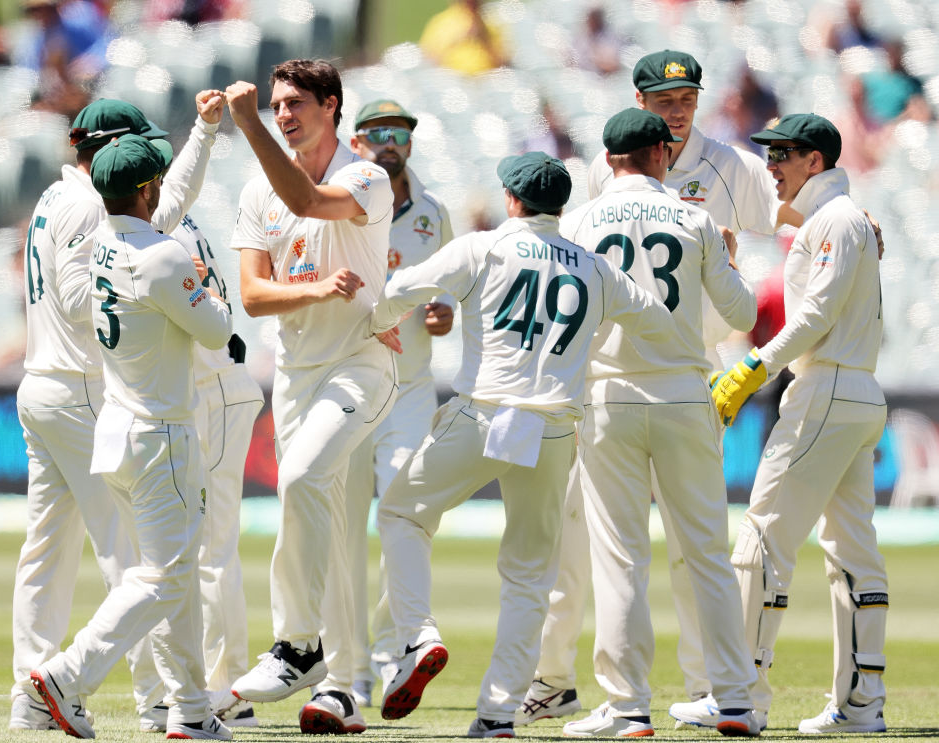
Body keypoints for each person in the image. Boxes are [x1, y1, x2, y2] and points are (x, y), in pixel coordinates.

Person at [373, 151, 677, 738]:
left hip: (483, 412)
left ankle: (416, 636)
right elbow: (658, 320)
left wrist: (376, 322)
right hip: (554, 426)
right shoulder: (595, 268)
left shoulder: (484, 246)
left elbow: (403, 288)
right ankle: (497, 713)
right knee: (530, 575)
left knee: (402, 514)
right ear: (560, 207)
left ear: (512, 199)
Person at [522, 49, 781, 732]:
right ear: (663, 154)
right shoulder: (696, 220)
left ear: (610, 161)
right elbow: (741, 313)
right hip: (685, 391)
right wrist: (725, 261)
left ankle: (627, 705)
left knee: (619, 558)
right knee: (706, 553)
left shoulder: (579, 223)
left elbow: (561, 318)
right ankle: (733, 696)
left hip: (609, 397)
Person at [10, 91, 226, 733]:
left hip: (44, 383)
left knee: (47, 551)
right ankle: (149, 698)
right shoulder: (87, 208)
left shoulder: (63, 196)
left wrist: (204, 134)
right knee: (133, 557)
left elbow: (159, 211)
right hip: (86, 388)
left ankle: (31, 692)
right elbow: (83, 300)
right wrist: (149, 287)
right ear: (113, 152)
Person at [225, 60, 395, 735]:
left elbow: (308, 202)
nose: (282, 114)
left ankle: (297, 646)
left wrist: (248, 126)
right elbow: (253, 295)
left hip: (362, 364)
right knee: (330, 521)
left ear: (331, 105)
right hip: (296, 375)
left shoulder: (367, 177)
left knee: (299, 478)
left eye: (295, 103)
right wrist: (317, 290)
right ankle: (342, 689)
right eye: (274, 105)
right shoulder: (256, 193)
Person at [710, 113, 888, 735]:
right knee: (852, 550)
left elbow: (815, 315)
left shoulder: (836, 220)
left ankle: (739, 696)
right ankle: (862, 703)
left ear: (816, 161)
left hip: (827, 388)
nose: (772, 165)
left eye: (783, 154)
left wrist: (752, 366)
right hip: (856, 391)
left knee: (761, 538)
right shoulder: (840, 218)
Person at [344, 98, 454, 708]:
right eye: (378, 133)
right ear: (357, 142)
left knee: (404, 517)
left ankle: (392, 655)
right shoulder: (339, 202)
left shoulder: (433, 213)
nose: (391, 143)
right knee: (342, 531)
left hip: (409, 387)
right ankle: (349, 664)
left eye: (401, 134)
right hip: (347, 381)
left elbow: (452, 286)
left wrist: (445, 313)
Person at [170, 215, 265, 727]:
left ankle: (229, 689)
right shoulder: (173, 218)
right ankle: (216, 684)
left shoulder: (164, 223)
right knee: (204, 547)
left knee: (213, 547)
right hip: (209, 390)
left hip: (217, 389)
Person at [419, 0, 509, 75]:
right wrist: (459, 39)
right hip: (452, 79)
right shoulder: (441, 23)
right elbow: (429, 60)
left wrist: (485, 39)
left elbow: (504, 63)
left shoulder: (492, 23)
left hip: (486, 79)